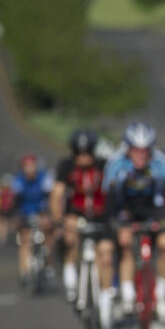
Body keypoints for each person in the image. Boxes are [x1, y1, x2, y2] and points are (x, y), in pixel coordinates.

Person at [102, 121, 165, 323]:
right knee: (126, 244)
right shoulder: (116, 164)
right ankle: (128, 295)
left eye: (145, 151)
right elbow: (109, 199)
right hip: (126, 212)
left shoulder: (160, 164)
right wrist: (114, 223)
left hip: (153, 212)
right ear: (128, 148)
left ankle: (162, 295)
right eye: (136, 150)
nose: (141, 155)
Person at [49, 129, 108, 303]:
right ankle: (70, 273)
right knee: (70, 235)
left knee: (105, 252)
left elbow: (112, 192)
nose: (83, 157)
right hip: (76, 213)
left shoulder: (102, 165)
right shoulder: (67, 166)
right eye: (79, 152)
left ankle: (105, 296)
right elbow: (57, 194)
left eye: (87, 152)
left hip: (100, 214)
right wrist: (59, 219)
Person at [11, 154, 54, 287]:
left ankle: (48, 263)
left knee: (48, 233)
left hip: (41, 211)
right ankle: (24, 270)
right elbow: (16, 201)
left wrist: (48, 214)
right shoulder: (19, 180)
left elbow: (49, 197)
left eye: (32, 166)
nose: (29, 169)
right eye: (27, 167)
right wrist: (17, 217)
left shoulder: (44, 178)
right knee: (25, 239)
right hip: (25, 212)